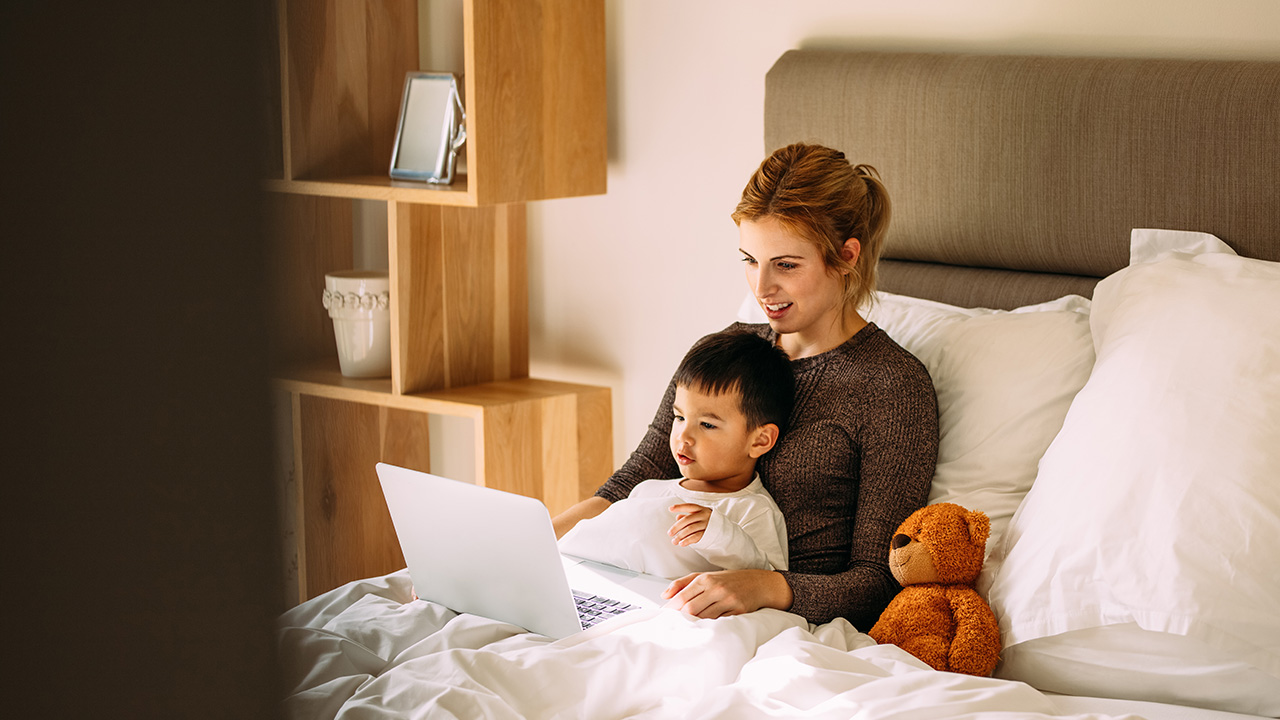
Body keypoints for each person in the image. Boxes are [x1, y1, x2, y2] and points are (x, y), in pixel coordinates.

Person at [553, 143, 940, 631]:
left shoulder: (891, 386)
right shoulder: (725, 354)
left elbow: (880, 580)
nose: (761, 288)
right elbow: (624, 487)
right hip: (656, 593)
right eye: (749, 260)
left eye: (786, 265)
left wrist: (765, 586)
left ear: (845, 256)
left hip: (785, 625)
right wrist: (534, 547)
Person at [558, 330, 794, 579]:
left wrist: (722, 536)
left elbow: (769, 583)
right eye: (679, 417)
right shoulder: (647, 492)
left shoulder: (753, 510)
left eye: (707, 425)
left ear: (760, 440)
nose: (683, 436)